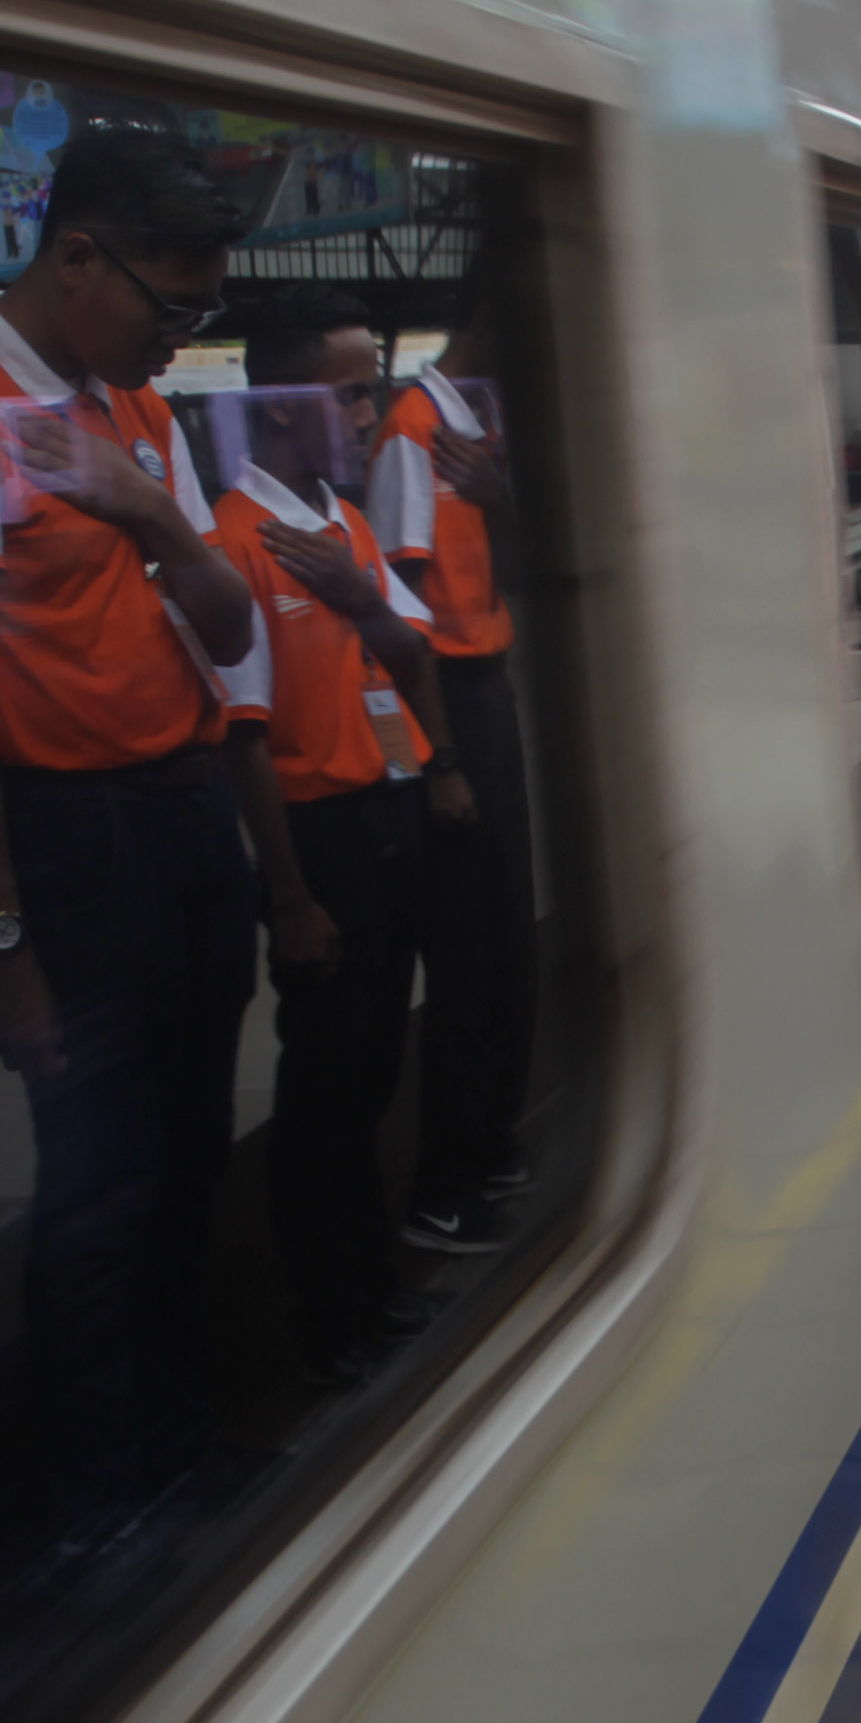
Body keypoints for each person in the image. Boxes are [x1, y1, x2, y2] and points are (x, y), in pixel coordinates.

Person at [0, 125, 257, 1517]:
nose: (180, 338)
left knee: (191, 1152)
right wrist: (3, 933)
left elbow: (227, 620)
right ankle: (100, 1497)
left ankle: (181, 1433)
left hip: (182, 813)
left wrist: (157, 515)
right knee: (99, 1184)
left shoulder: (134, 413)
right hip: (65, 842)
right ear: (76, 255)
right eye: (173, 307)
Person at [211, 292, 475, 1387]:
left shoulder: (343, 524)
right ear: (278, 409)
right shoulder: (237, 544)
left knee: (371, 1071)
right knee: (323, 1089)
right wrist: (288, 896)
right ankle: (330, 1316)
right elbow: (243, 738)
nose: (369, 411)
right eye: (350, 389)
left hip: (388, 810)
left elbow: (409, 661)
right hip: (316, 836)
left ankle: (368, 1286)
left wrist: (362, 597)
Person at [375, 288, 539, 1255]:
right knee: (469, 947)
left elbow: (512, 566)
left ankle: (492, 1139)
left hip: (490, 687)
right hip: (452, 704)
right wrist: (432, 756)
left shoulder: (483, 436)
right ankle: (447, 1179)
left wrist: (497, 497)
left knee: (507, 936)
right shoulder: (414, 430)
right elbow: (400, 619)